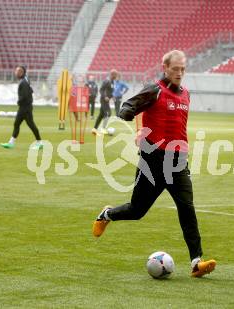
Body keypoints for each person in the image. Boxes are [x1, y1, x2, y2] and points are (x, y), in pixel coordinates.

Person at [92, 50, 216, 278]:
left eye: (183, 69)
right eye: (175, 69)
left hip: (178, 162)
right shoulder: (154, 90)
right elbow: (129, 106)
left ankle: (196, 261)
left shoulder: (186, 94)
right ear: (165, 67)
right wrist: (128, 114)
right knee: (137, 210)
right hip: (152, 162)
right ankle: (107, 214)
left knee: (187, 209)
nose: (179, 73)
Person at [0, 66, 42, 150]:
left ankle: (39, 143)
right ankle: (11, 143)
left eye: (17, 71)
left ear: (22, 73)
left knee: (30, 124)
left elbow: (25, 95)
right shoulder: (26, 79)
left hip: (25, 108)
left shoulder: (23, 82)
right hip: (26, 107)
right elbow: (31, 90)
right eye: (16, 70)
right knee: (18, 124)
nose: (16, 72)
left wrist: (19, 101)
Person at [92, 70, 116, 135]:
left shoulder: (112, 82)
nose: (116, 76)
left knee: (101, 115)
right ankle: (103, 129)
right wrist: (105, 96)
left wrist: (112, 97)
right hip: (103, 100)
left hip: (107, 100)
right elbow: (101, 89)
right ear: (112, 74)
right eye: (115, 75)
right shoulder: (107, 81)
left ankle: (94, 129)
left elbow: (110, 91)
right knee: (108, 113)